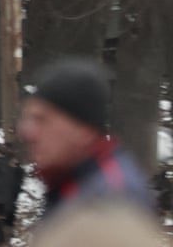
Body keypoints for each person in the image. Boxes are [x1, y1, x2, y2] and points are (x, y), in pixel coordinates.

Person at [19, 57, 151, 218]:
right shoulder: (73, 185)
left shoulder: (112, 197)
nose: (28, 132)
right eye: (28, 119)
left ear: (82, 129)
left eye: (43, 120)